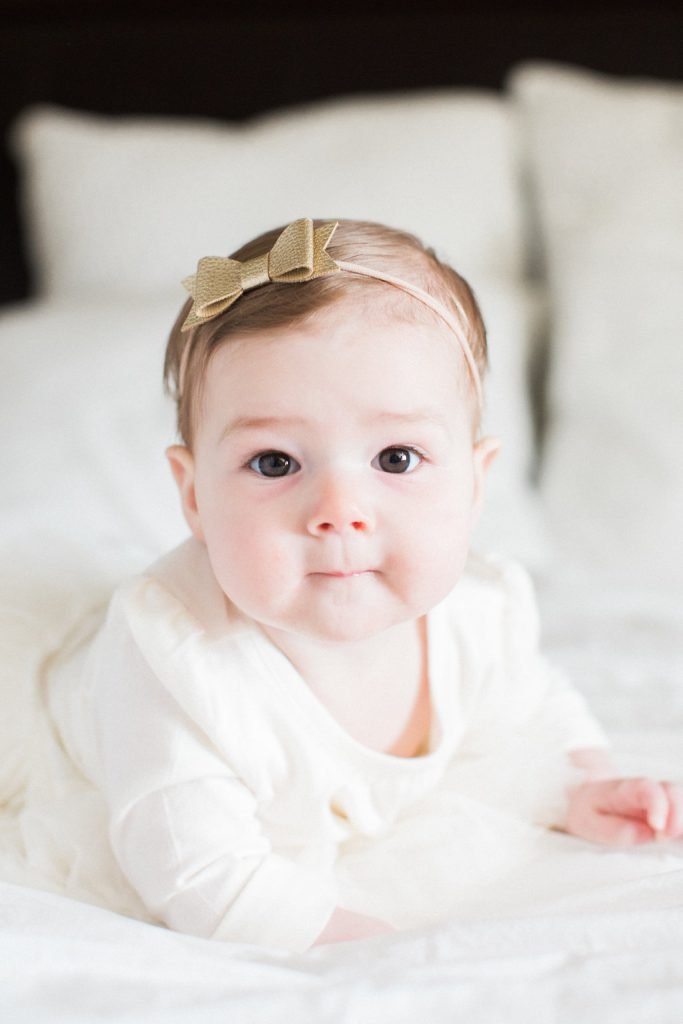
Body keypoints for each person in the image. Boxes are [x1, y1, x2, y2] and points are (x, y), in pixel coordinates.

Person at [50, 217, 683, 952]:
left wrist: (582, 786)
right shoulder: (173, 654)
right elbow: (194, 865)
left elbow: (530, 708)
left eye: (395, 457)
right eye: (275, 463)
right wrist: (363, 948)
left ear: (475, 484)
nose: (338, 513)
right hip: (78, 735)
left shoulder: (480, 609)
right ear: (192, 496)